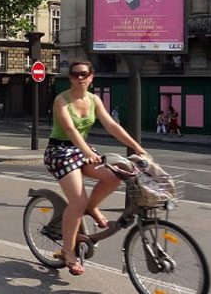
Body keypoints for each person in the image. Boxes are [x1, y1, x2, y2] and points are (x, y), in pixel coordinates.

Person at [44, 61, 148, 276]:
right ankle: (68, 252)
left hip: (81, 150)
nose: (79, 78)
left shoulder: (94, 100)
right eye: (75, 74)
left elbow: (112, 126)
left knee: (113, 177)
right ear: (70, 78)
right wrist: (87, 152)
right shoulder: (61, 100)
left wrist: (137, 147)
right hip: (60, 152)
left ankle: (91, 207)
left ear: (91, 77)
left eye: (84, 74)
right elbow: (70, 130)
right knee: (77, 202)